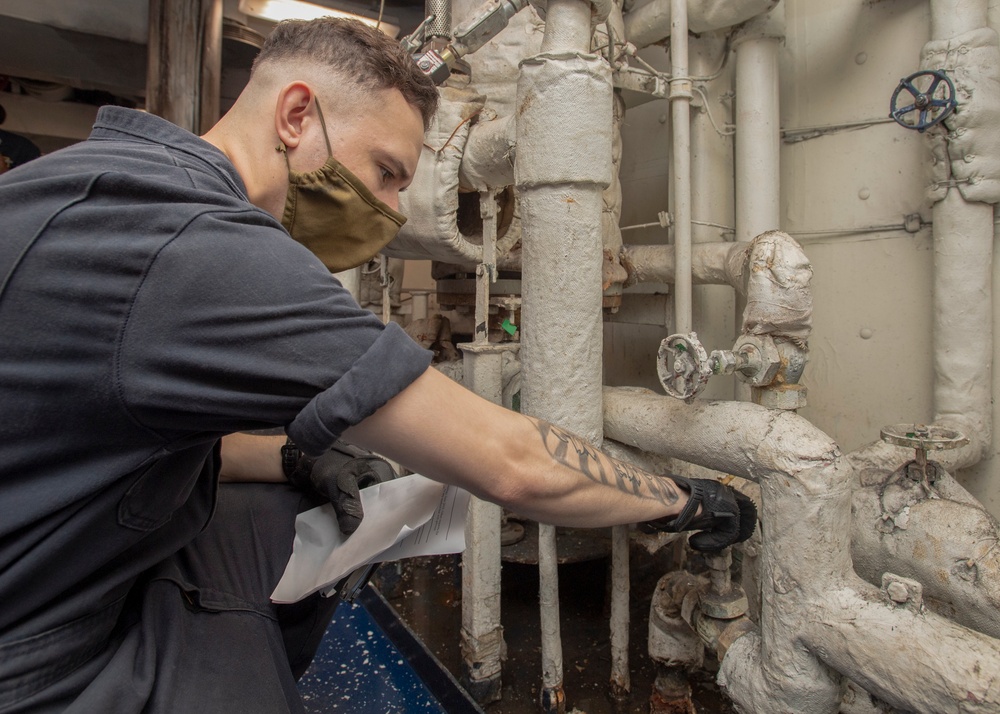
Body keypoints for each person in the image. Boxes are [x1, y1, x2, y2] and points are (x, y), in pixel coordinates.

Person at [0, 17, 756, 714]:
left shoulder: (90, 182)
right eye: (387, 171)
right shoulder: (202, 249)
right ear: (296, 116)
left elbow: (113, 431)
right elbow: (512, 463)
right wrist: (682, 501)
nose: (392, 211)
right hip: (38, 657)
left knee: (286, 502)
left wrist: (293, 456)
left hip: (52, 559)